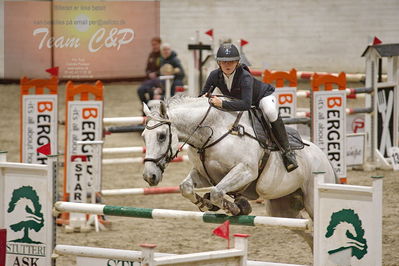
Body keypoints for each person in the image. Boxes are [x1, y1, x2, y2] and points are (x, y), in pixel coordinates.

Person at [199, 43, 298, 172]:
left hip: (261, 97)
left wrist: (222, 104)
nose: (227, 65)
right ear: (218, 63)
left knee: (270, 111)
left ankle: (287, 152)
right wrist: (204, 98)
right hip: (240, 102)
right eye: (224, 62)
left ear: (237, 62)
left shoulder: (244, 77)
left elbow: (246, 104)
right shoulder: (214, 75)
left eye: (231, 61)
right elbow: (202, 95)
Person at [137, 37, 162, 105]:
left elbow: (164, 69)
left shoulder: (162, 55)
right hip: (150, 79)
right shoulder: (151, 55)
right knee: (140, 90)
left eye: (155, 44)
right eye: (152, 45)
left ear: (160, 44)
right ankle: (145, 106)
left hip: (159, 79)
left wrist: (156, 73)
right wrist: (149, 74)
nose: (154, 46)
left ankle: (150, 108)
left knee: (151, 91)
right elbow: (147, 69)